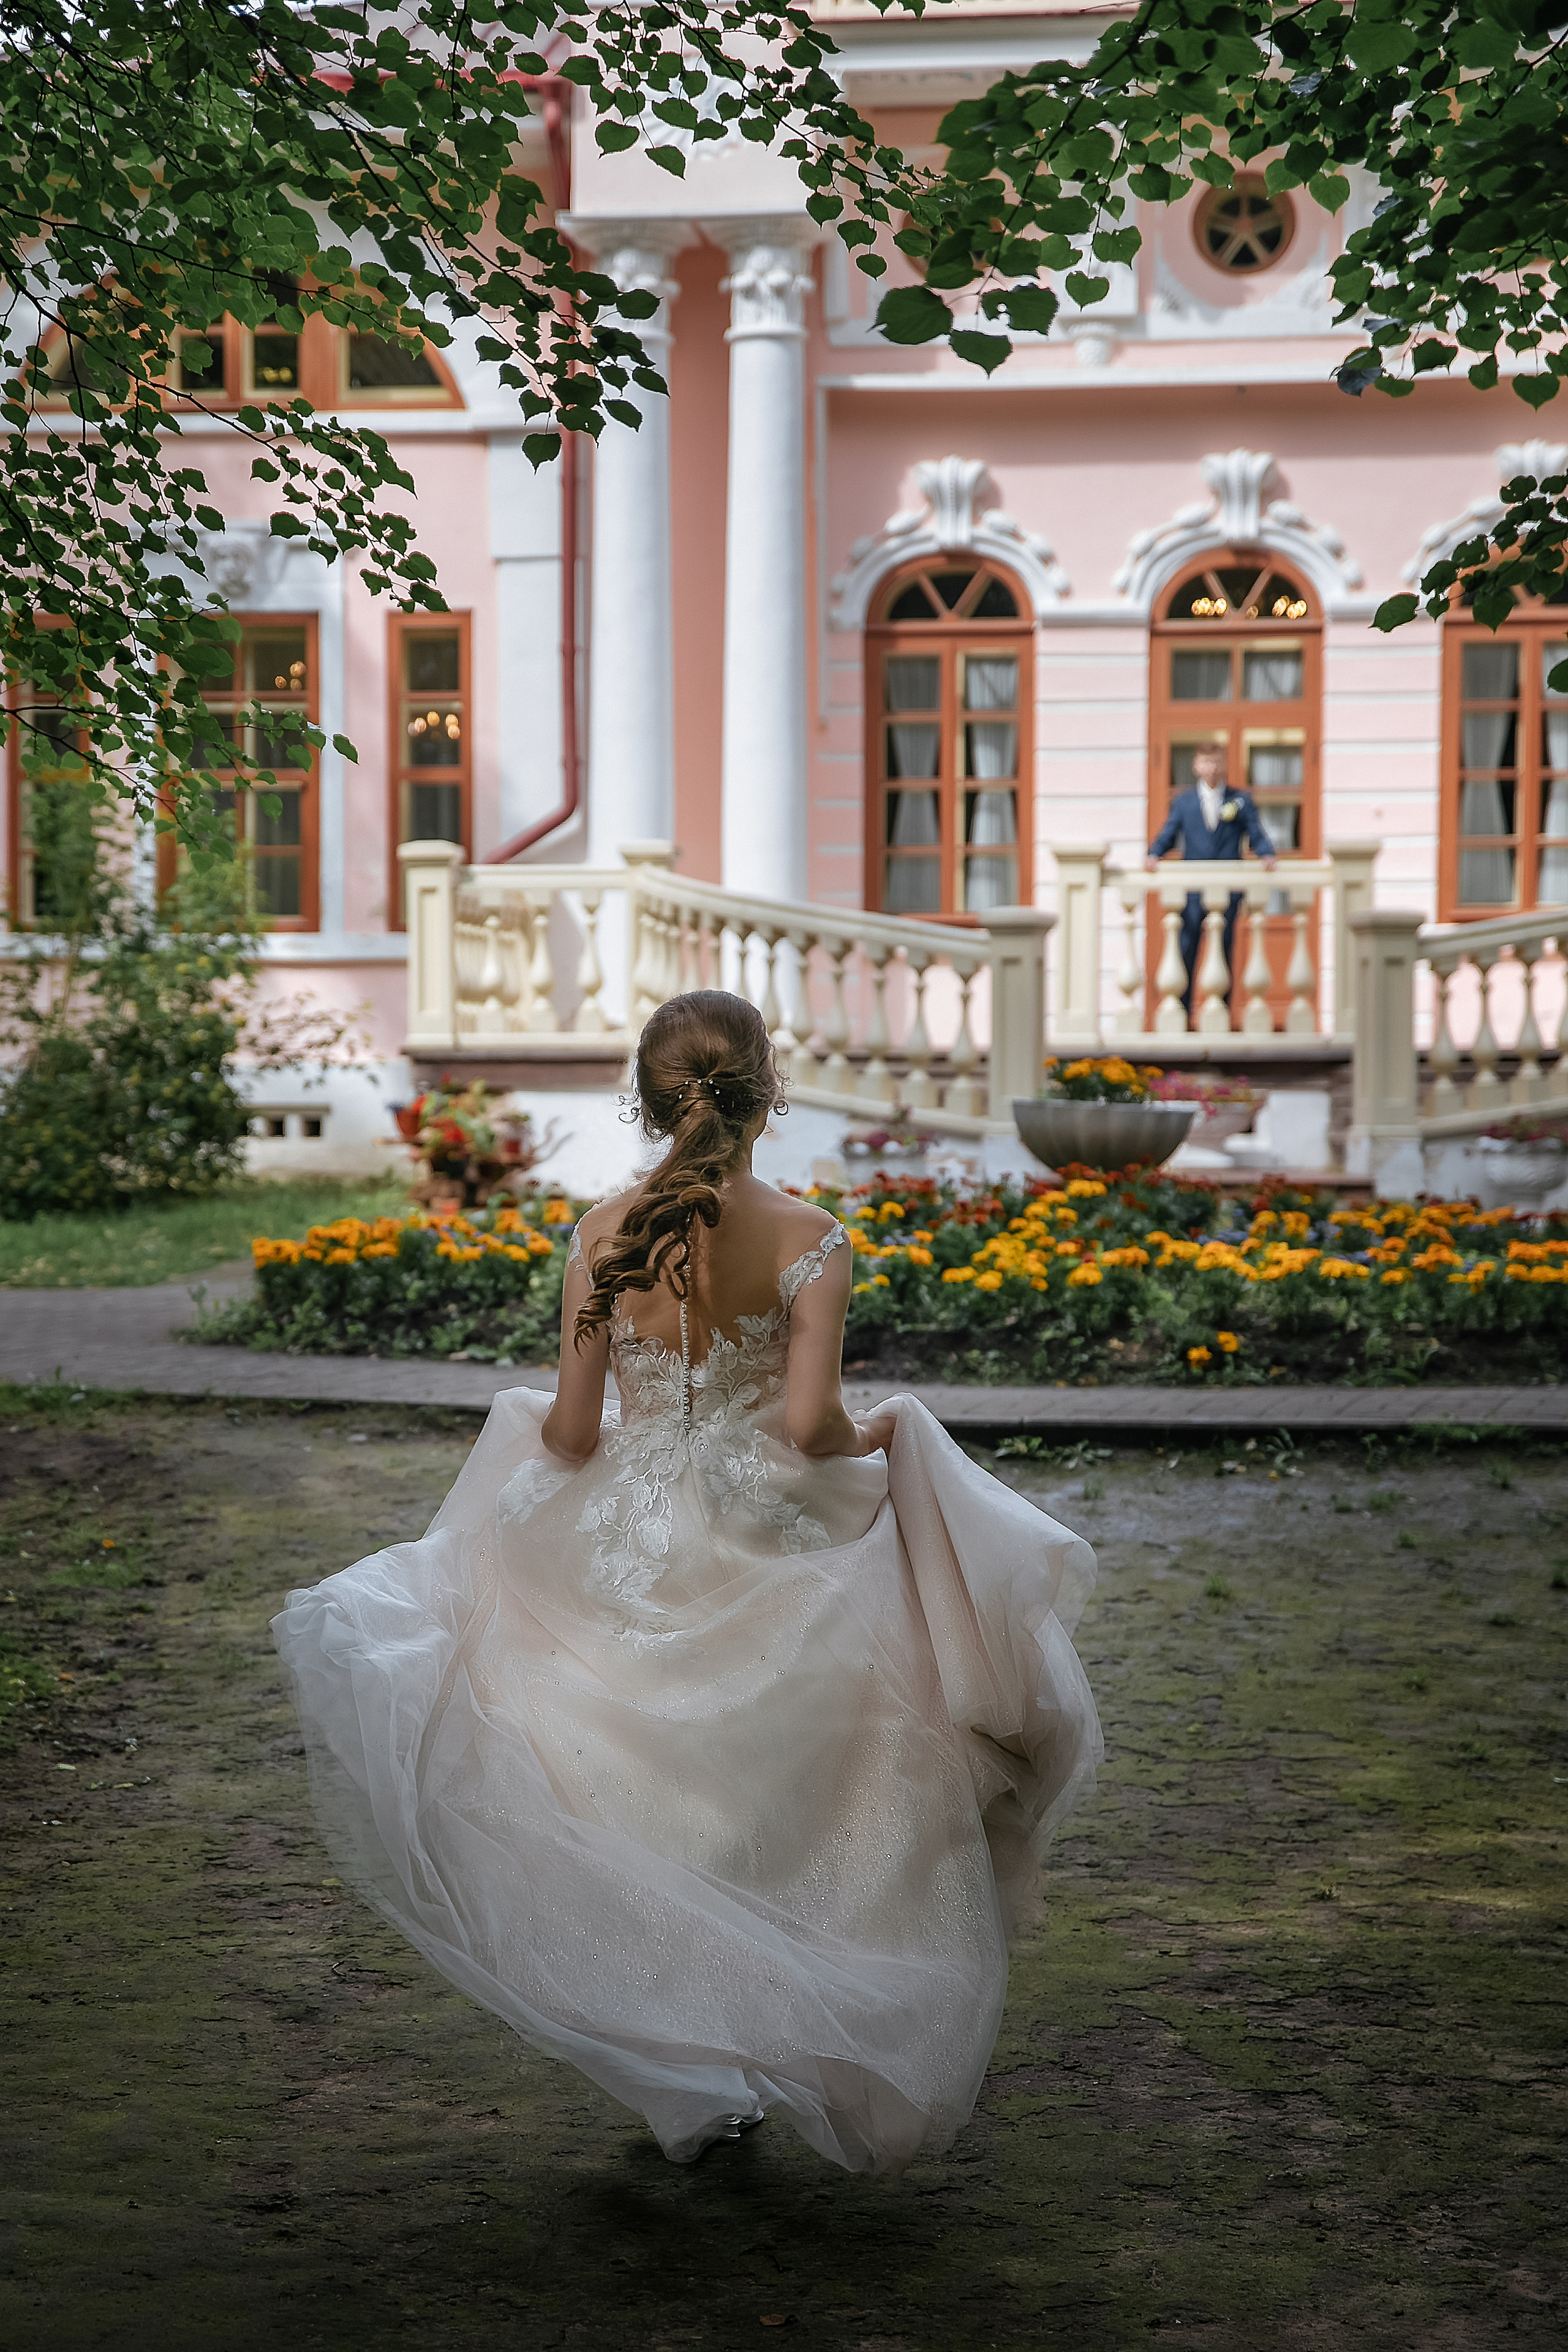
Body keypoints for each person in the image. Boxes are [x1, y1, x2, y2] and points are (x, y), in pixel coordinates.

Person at [272, 990, 1102, 2176]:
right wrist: (884, 1437)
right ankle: (768, 2029)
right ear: (766, 1091)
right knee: (795, 1794)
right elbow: (810, 1424)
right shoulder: (812, 1235)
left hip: (624, 1530)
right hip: (771, 1526)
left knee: (618, 1787)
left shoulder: (602, 1230)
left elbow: (565, 1434)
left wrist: (573, 1444)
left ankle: (692, 2067)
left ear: (645, 1099)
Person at [1145, 744, 1276, 1018]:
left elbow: (1256, 833)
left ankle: (1221, 1013)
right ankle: (1181, 1013)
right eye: (1206, 762)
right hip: (1193, 889)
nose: (1211, 768)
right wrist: (1154, 854)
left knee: (1224, 947)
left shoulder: (1240, 800)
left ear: (1224, 765)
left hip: (1227, 888)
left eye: (1216, 762)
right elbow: (1169, 833)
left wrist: (1266, 854)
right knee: (1186, 947)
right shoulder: (1183, 802)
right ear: (1196, 766)